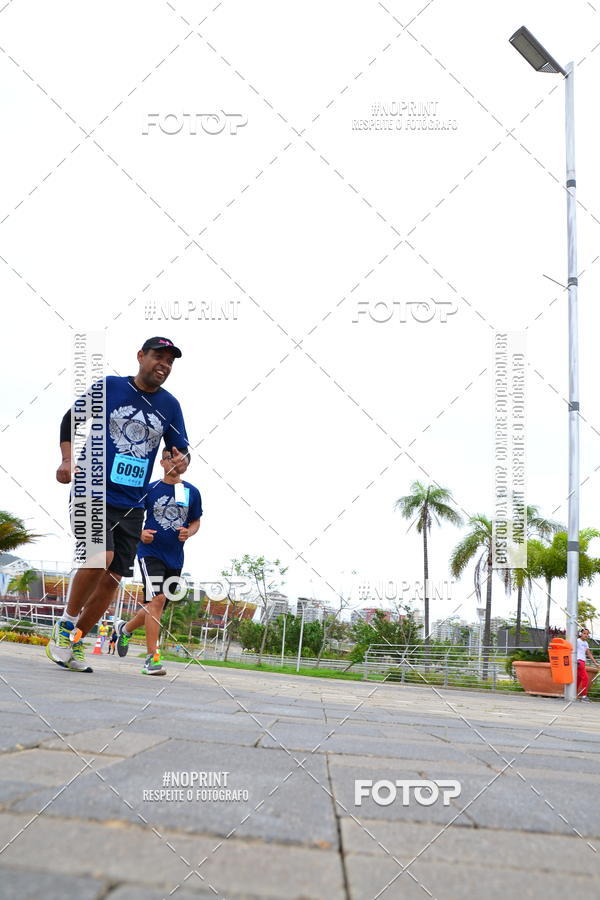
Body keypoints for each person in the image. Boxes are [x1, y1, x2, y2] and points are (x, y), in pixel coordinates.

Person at [47, 337, 189, 674]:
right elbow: (70, 420)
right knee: (101, 555)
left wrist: (181, 461)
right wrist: (67, 460)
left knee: (112, 578)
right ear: (141, 357)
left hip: (132, 504)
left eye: (170, 361)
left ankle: (77, 639)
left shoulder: (170, 406)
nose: (164, 365)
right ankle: (65, 625)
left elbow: (180, 449)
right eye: (158, 357)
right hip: (91, 487)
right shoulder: (111, 387)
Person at [113, 447, 202, 675]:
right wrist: (139, 533)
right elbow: (130, 518)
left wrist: (188, 533)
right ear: (162, 462)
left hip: (175, 557)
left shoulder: (191, 492)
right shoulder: (149, 489)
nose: (178, 463)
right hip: (149, 552)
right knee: (158, 600)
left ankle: (125, 628)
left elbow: (195, 521)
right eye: (173, 458)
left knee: (158, 605)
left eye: (183, 460)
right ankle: (152, 659)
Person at [576, 628, 599, 701]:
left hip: (583, 662)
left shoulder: (586, 643)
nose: (586, 635)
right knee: (585, 678)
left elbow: (589, 653)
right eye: (584, 633)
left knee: (579, 679)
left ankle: (573, 694)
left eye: (587, 634)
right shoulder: (577, 641)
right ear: (581, 634)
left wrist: (595, 662)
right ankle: (584, 696)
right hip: (578, 661)